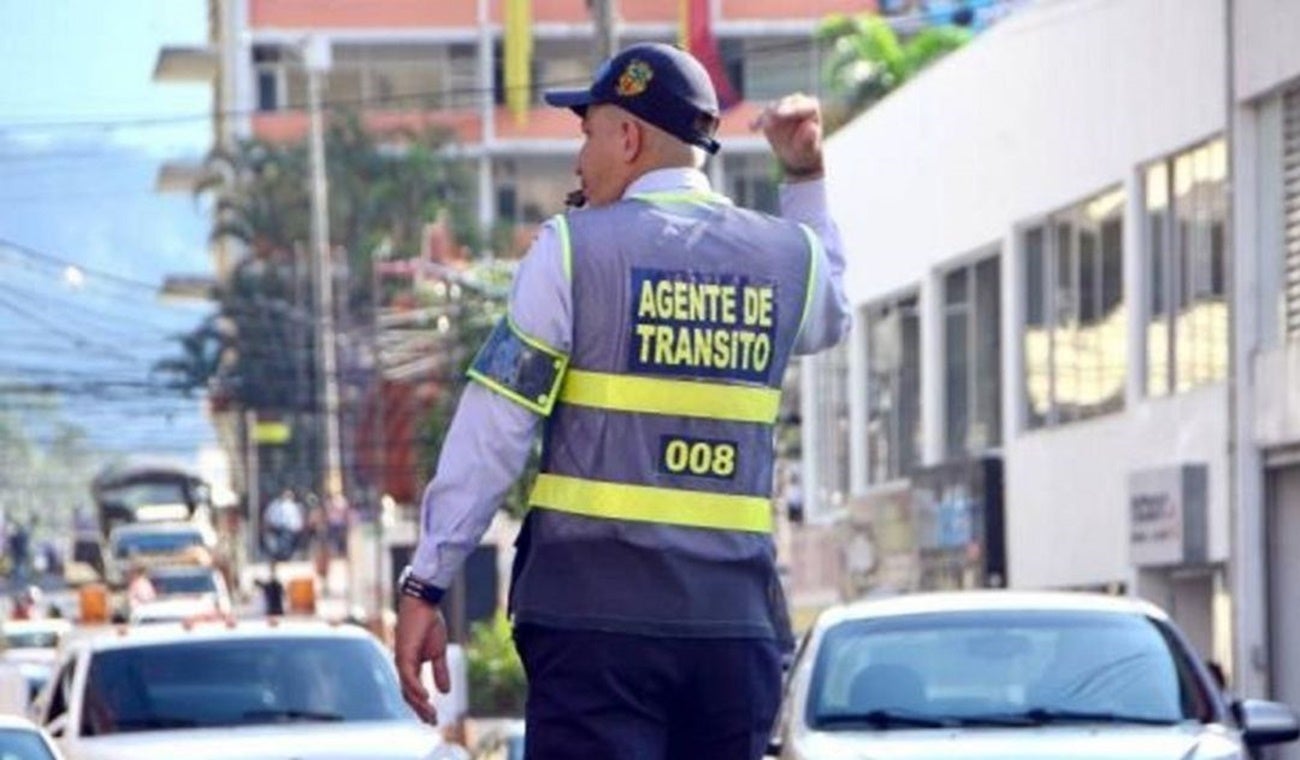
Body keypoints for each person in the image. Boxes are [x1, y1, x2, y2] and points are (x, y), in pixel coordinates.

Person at [394, 42, 848, 760]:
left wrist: (427, 582)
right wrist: (805, 176)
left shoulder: (573, 251)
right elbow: (832, 316)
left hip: (594, 633)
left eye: (587, 133)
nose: (579, 159)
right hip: (733, 635)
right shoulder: (787, 257)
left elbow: (496, 428)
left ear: (629, 137)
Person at [264, 489, 305, 560]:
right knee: (279, 544)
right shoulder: (276, 504)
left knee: (286, 545)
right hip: (278, 528)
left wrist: (297, 527)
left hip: (288, 529)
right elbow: (270, 516)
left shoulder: (293, 506)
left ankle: (284, 557)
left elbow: (295, 518)